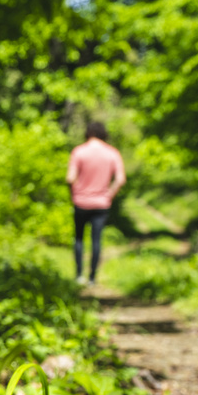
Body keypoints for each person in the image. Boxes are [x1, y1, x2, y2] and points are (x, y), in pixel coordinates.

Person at [66, 121, 125, 285]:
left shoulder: (79, 151)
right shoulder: (112, 153)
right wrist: (109, 196)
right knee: (96, 240)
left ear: (88, 133)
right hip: (101, 204)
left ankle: (79, 275)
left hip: (81, 202)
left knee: (79, 238)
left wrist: (74, 194)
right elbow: (120, 179)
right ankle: (92, 277)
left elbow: (70, 178)